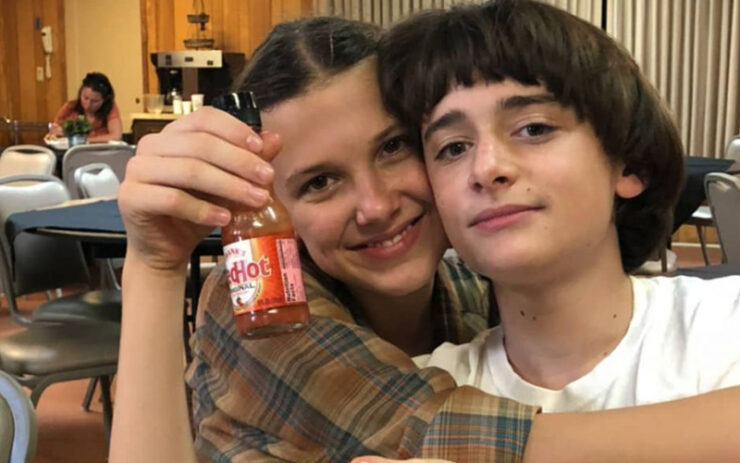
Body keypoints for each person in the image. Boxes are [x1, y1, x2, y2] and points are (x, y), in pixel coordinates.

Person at [112, 9, 740, 463]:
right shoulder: (267, 305)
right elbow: (434, 427)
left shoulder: (467, 284)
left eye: (393, 148)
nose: (376, 206)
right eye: (319, 183)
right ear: (277, 206)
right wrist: (154, 266)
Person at [47, 72, 122, 142]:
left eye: (94, 101)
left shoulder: (110, 108)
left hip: (100, 150)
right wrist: (59, 132)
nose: (88, 104)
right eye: (85, 98)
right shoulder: (70, 107)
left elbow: (116, 136)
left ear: (104, 100)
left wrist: (83, 141)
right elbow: (53, 132)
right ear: (80, 93)